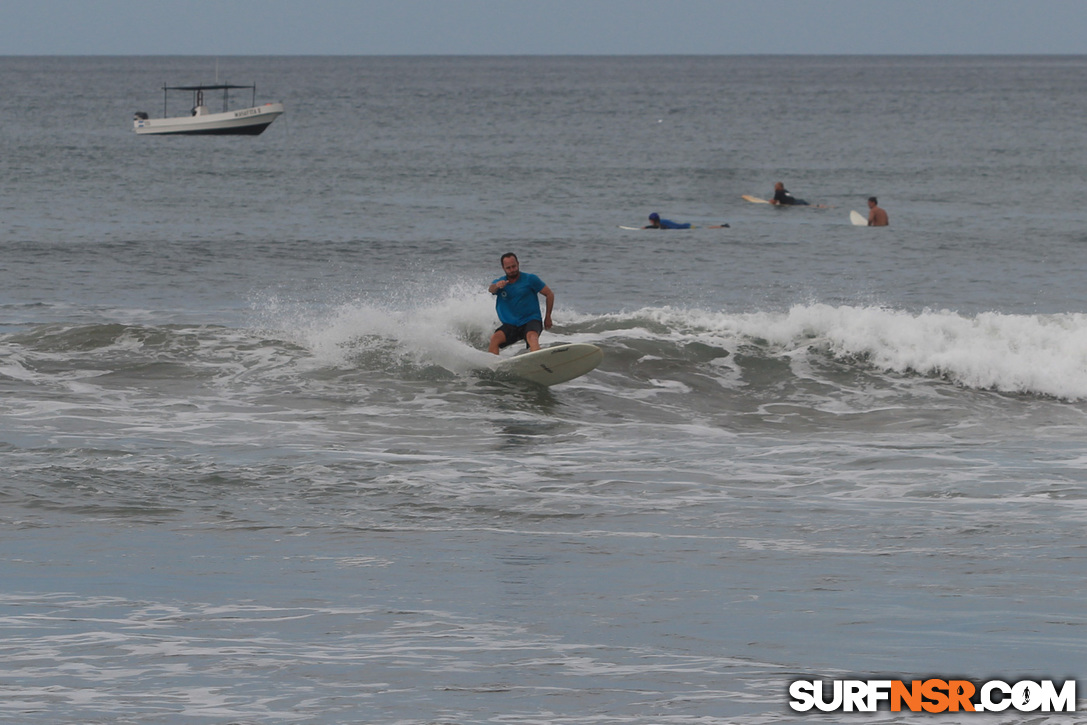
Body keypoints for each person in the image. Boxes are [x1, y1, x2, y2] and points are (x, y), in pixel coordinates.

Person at [487, 252, 554, 355]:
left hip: (531, 320)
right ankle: (493, 368)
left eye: (514, 266)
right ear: (503, 268)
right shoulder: (500, 283)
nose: (512, 270)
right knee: (495, 339)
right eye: (508, 268)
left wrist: (548, 316)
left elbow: (549, 294)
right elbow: (491, 289)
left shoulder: (530, 279)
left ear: (518, 263)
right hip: (511, 324)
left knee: (532, 337)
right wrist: (496, 286)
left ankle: (539, 362)